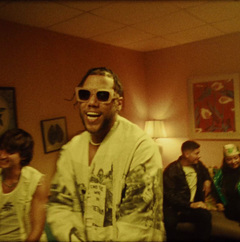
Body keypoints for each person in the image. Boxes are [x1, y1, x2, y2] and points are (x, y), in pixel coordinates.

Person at [47, 67, 164, 241]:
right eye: (85, 94)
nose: (92, 102)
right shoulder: (71, 150)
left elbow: (138, 227)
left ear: (119, 103)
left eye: (102, 95)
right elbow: (59, 207)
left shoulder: (141, 149)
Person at [0, 128, 49, 241]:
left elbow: (37, 230)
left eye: (9, 152)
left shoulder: (37, 182)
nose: (2, 156)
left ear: (23, 156)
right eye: (0, 149)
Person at [163, 140, 223, 241]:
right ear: (186, 154)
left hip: (191, 208)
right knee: (169, 223)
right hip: (175, 208)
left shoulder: (198, 165)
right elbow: (169, 195)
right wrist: (190, 204)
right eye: (196, 153)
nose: (199, 156)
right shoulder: (172, 170)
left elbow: (205, 173)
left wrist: (207, 180)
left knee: (205, 216)